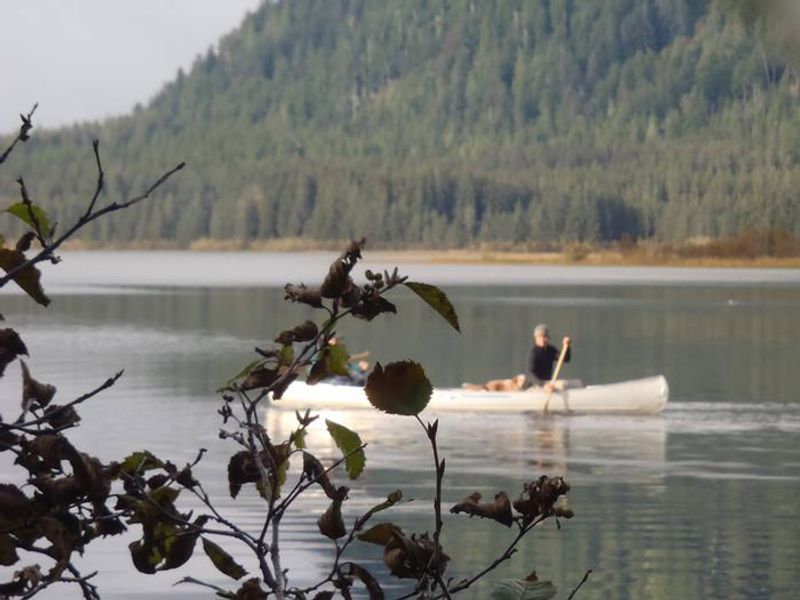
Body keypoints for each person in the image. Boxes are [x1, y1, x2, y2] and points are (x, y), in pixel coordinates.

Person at [525, 324, 571, 392]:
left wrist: (567, 347)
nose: (542, 339)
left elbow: (565, 359)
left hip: (548, 384)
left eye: (544, 337)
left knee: (572, 383)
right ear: (536, 338)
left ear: (548, 338)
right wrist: (543, 385)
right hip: (535, 386)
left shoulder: (551, 350)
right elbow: (530, 374)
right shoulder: (533, 353)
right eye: (540, 337)